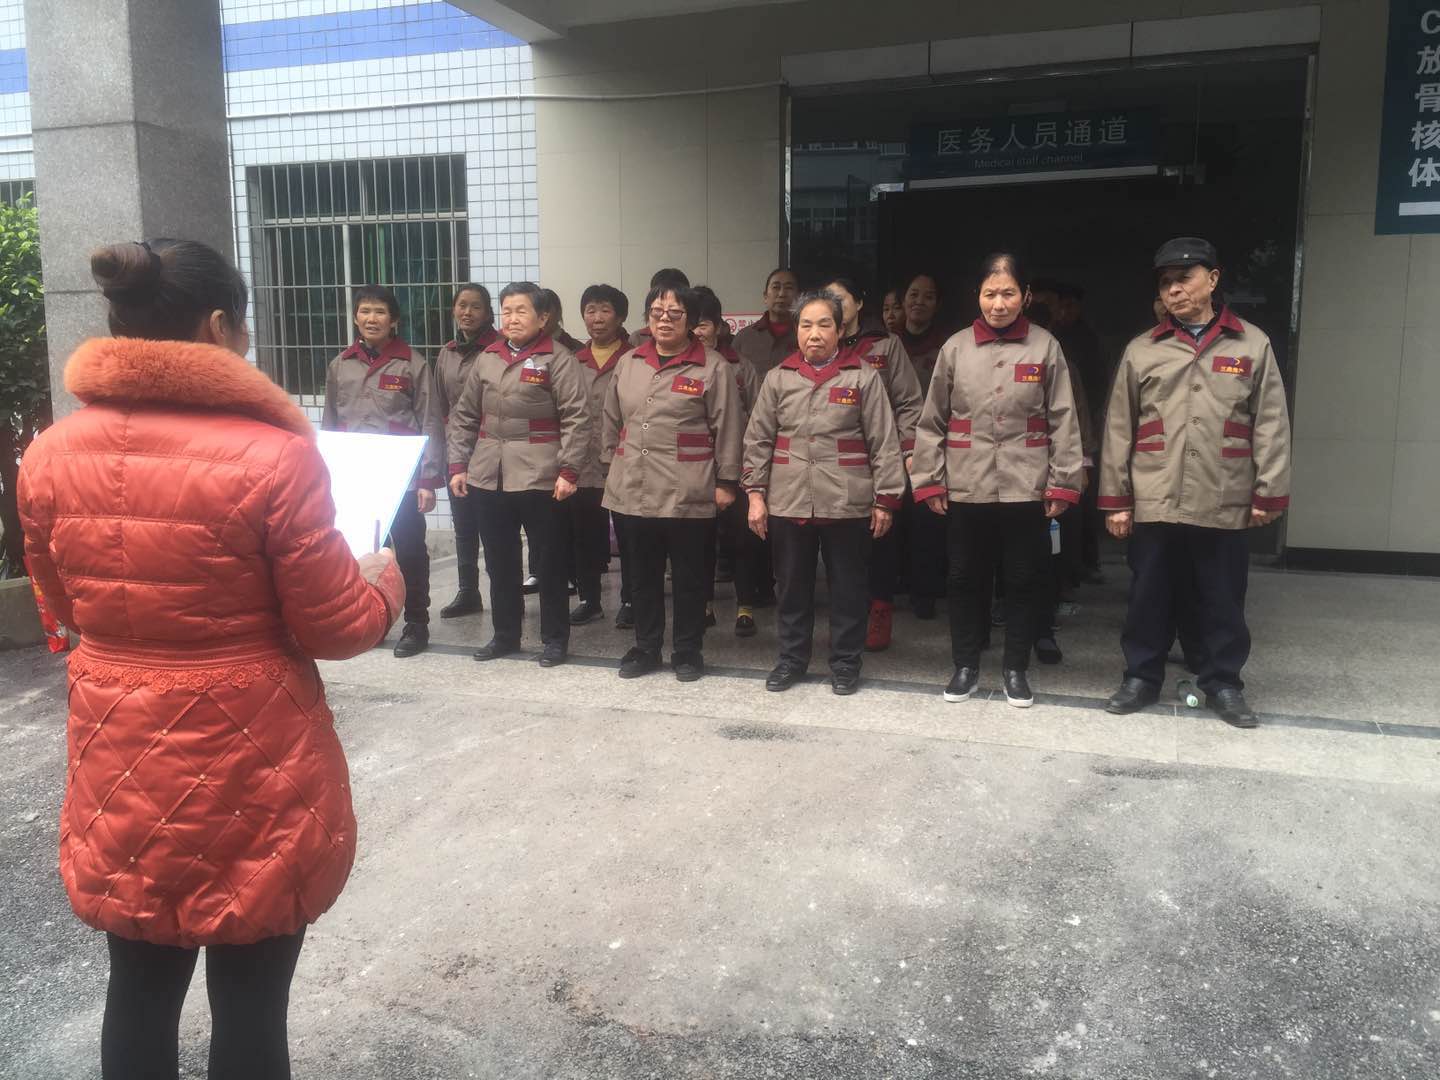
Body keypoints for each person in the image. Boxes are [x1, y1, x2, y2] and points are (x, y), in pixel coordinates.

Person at [17, 239, 405, 1080]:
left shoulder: (51, 451)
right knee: (252, 1004)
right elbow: (336, 626)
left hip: (120, 748)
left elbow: (65, 603)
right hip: (252, 758)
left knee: (138, 992)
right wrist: (382, 581)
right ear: (220, 326)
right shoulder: (274, 456)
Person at [1100, 238, 1292, 728]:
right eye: (1166, 282)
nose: (1174, 289)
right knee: (1149, 593)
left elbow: (1270, 422)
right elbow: (1119, 426)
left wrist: (1269, 489)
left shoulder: (1251, 344)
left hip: (1223, 493)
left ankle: (1223, 683)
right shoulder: (1143, 349)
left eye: (1184, 278)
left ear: (1213, 279)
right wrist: (1117, 500)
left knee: (1222, 596)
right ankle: (1141, 677)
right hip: (1155, 493)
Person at [912, 253, 1083, 708]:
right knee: (963, 577)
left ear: (1025, 296)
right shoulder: (955, 348)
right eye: (990, 294)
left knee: (1023, 578)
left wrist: (1063, 482)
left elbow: (1064, 418)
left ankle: (1015, 669)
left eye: (1008, 293)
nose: (999, 303)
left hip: (1027, 485)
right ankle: (965, 666)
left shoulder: (1045, 347)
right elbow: (932, 420)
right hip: (966, 484)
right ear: (978, 296)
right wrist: (930, 480)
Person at [743, 290, 905, 695]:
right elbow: (758, 439)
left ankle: (846, 663)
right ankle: (791, 660)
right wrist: (755, 494)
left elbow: (884, 441)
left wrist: (886, 499)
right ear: (796, 331)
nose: (814, 333)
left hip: (847, 501)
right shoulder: (778, 378)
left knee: (848, 588)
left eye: (824, 324)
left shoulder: (863, 377)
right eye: (806, 325)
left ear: (840, 329)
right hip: (789, 499)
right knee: (791, 586)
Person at [600, 283, 744, 681]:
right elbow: (611, 420)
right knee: (641, 574)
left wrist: (727, 481)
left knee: (689, 577)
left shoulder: (713, 367)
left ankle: (687, 650)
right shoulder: (629, 362)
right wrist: (611, 465)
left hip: (689, 489)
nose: (664, 320)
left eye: (675, 314)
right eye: (657, 313)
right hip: (634, 486)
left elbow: (729, 427)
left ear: (692, 321)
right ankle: (646, 647)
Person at [447, 282, 592, 667]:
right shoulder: (488, 357)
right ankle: (505, 635)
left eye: (521, 310)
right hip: (489, 473)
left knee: (550, 561)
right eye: (507, 310)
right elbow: (465, 415)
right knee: (499, 560)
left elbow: (577, 417)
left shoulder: (558, 358)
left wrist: (569, 470)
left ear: (543, 318)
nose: (512, 318)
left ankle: (554, 638)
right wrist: (458, 464)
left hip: (542, 475)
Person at [323, 284, 444, 658]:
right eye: (364, 311)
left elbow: (430, 421)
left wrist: (427, 480)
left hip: (401, 476)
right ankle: (367, 620)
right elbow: (330, 423)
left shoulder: (412, 364)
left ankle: (417, 623)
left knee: (409, 549)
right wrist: (325, 474)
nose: (371, 318)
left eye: (379, 312)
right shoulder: (340, 365)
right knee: (357, 550)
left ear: (394, 321)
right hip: (355, 476)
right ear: (355, 317)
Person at [824, 276, 924, 652]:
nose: (835, 305)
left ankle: (880, 610)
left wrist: (907, 449)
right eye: (828, 299)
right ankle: (846, 614)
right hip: (835, 462)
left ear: (860, 303)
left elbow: (909, 401)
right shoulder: (821, 343)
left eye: (841, 298)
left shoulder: (886, 344)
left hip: (881, 458)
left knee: (881, 538)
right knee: (840, 544)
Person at [692, 285, 762, 635]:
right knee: (699, 540)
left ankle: (745, 607)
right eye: (692, 323)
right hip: (694, 468)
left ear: (720, 327)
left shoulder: (741, 367)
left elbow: (760, 418)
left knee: (742, 541)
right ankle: (704, 604)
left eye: (704, 324)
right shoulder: (681, 367)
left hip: (738, 466)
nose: (697, 331)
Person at [569, 283, 633, 627]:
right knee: (584, 535)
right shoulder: (572, 361)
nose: (597, 318)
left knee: (629, 536)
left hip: (624, 462)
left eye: (605, 310)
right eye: (590, 310)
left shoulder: (635, 359)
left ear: (620, 316)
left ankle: (631, 599)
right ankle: (589, 599)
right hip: (582, 464)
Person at [434, 283, 499, 620]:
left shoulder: (499, 350)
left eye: (475, 306)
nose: (467, 312)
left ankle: (505, 593)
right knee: (463, 525)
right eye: (462, 305)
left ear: (488, 313)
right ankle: (468, 591)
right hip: (457, 452)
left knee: (496, 527)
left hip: (493, 450)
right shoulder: (447, 353)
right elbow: (440, 406)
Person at [893, 270, 951, 622]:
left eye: (928, 296)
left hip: (934, 447)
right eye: (913, 294)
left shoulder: (948, 346)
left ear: (938, 304)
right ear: (903, 301)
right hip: (891, 445)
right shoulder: (888, 344)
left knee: (928, 519)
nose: (919, 302)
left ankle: (925, 592)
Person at [731, 267, 799, 381]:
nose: (782, 294)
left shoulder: (805, 338)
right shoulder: (744, 338)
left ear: (798, 297)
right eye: (776, 287)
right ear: (765, 296)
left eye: (789, 288)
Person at [541, 287, 586, 354]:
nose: (541, 316)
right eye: (537, 310)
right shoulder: (527, 346)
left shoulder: (576, 349)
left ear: (558, 313)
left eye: (546, 310)